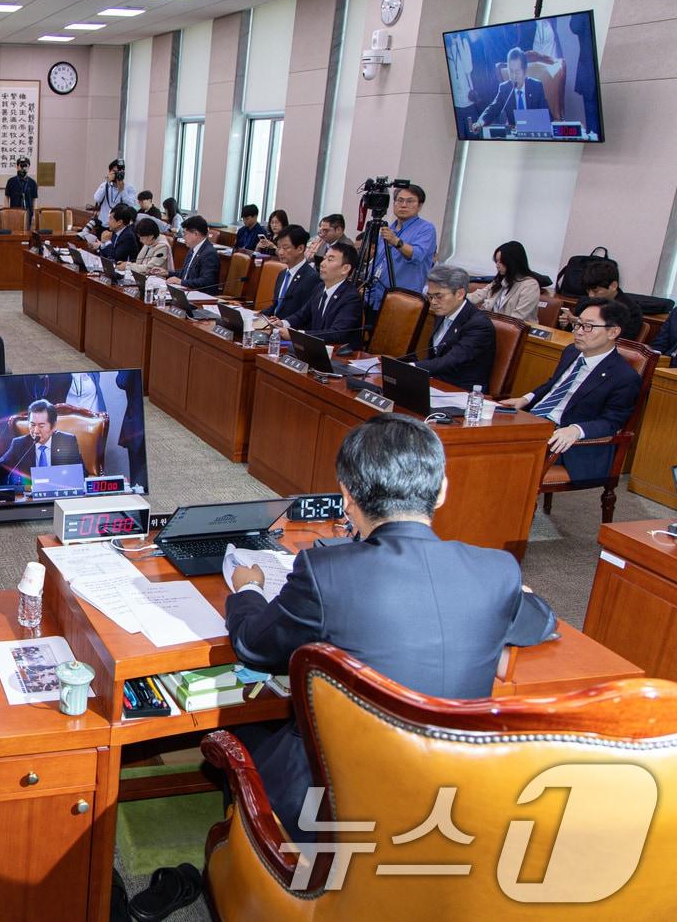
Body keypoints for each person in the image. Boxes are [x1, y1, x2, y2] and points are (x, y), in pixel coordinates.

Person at [224, 413, 558, 840]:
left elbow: (254, 646)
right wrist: (517, 591)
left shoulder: (325, 571)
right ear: (441, 492)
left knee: (236, 726)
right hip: (451, 792)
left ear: (347, 496)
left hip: (333, 800)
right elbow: (541, 622)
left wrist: (248, 590)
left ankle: (242, 858)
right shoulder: (497, 570)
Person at [499, 299, 641, 482]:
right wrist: (526, 399)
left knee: (504, 456)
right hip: (535, 422)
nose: (579, 332)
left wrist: (575, 430)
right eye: (578, 324)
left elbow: (612, 422)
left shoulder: (624, 376)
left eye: (588, 327)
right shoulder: (571, 352)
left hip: (565, 439)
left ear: (613, 332)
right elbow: (553, 385)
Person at [0, 399, 81, 501]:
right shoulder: (20, 444)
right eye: (32, 424)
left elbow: (80, 474)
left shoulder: (67, 441)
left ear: (53, 426)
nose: (35, 431)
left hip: (60, 498)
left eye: (41, 425)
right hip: (30, 500)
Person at [415, 264, 496, 391]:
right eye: (430, 296)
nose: (433, 302)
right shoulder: (444, 311)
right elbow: (434, 356)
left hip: (461, 391)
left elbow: (451, 361)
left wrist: (413, 367)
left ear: (460, 294)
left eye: (439, 296)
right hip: (435, 383)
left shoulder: (479, 325)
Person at [364, 183, 437, 316]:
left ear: (420, 206)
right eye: (400, 200)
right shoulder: (388, 228)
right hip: (374, 297)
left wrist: (396, 241)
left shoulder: (426, 229)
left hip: (402, 301)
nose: (403, 205)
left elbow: (416, 255)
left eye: (410, 201)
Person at [273, 242, 361, 348]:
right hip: (316, 349)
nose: (323, 263)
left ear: (345, 269)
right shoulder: (319, 288)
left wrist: (297, 335)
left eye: (330, 260)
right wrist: (283, 323)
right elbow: (302, 315)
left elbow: (337, 334)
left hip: (339, 354)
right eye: (324, 258)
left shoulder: (351, 297)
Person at [560, 258, 643, 341]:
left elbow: (622, 342)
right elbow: (570, 334)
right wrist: (568, 323)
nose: (591, 295)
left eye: (596, 291)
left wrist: (584, 323)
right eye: (588, 290)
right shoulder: (584, 302)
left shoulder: (631, 311)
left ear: (613, 286)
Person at [472, 46, 551, 132]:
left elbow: (547, 117)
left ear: (525, 71)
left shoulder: (536, 86)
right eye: (511, 71)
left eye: (517, 72)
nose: (513, 76)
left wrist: (524, 124)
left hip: (534, 133)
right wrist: (480, 122)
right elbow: (492, 109)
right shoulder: (505, 88)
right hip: (514, 137)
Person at [466, 241, 542, 322]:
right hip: (492, 326)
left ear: (513, 262)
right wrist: (457, 297)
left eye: (501, 262)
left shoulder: (530, 286)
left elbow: (516, 319)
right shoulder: (501, 279)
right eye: (497, 261)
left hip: (515, 331)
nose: (497, 265)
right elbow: (479, 295)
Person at [264, 225, 321, 322]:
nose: (280, 252)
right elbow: (276, 306)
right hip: (273, 327)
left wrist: (283, 324)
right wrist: (256, 315)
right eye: (279, 247)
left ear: (300, 248)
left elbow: (305, 315)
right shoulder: (282, 274)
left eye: (285, 248)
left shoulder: (312, 278)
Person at [166, 215, 221, 292]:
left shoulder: (209, 253)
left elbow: (207, 281)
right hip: (187, 291)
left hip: (201, 297)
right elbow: (185, 274)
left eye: (185, 234)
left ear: (195, 234)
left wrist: (181, 282)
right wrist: (167, 273)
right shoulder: (193, 249)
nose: (183, 237)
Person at [89, 159, 137, 228]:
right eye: (115, 172)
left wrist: (122, 190)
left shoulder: (129, 188)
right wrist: (107, 183)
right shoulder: (105, 185)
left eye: (120, 172)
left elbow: (131, 205)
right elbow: (97, 199)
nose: (117, 174)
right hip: (103, 225)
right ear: (109, 172)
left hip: (119, 227)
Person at [5, 157, 39, 225]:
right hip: (13, 214)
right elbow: (6, 198)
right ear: (17, 167)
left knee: (27, 233)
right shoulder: (11, 181)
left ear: (28, 167)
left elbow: (35, 200)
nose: (23, 168)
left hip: (28, 214)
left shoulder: (33, 183)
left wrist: (34, 215)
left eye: (25, 165)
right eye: (21, 165)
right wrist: (6, 212)